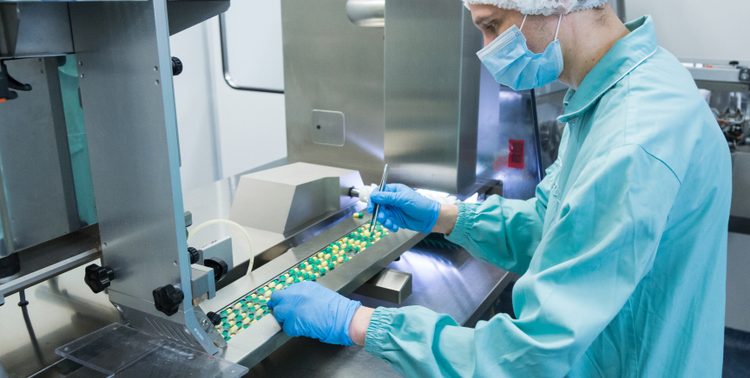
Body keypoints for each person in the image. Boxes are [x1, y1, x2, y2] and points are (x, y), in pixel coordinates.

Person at [269, 0, 732, 376]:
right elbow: (551, 226)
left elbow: (532, 355)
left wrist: (357, 321)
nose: (487, 50)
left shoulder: (630, 140)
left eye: (494, 26)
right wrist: (444, 216)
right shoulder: (614, 93)